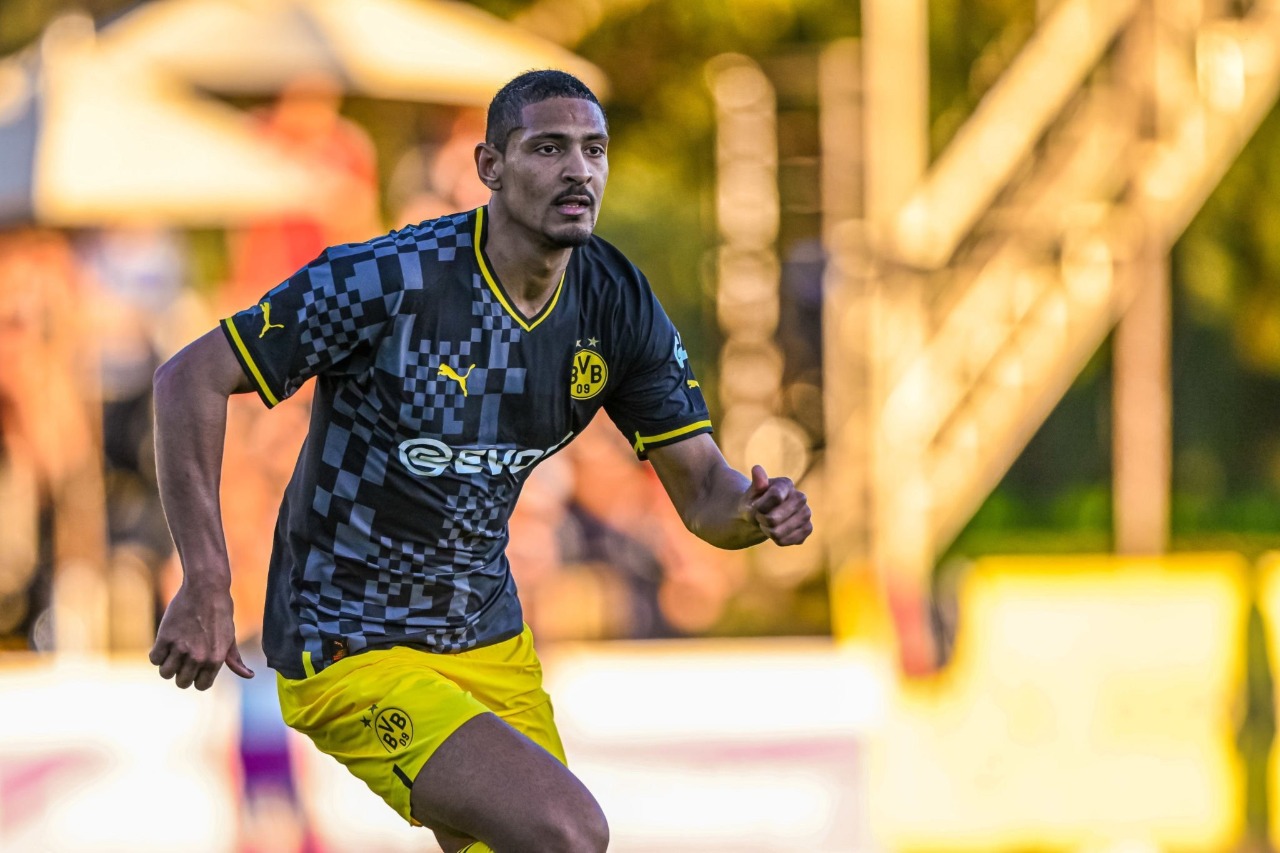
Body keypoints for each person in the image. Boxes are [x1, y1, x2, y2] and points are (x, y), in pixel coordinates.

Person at [148, 70, 812, 853]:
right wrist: (207, 577)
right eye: (549, 148)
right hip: (350, 642)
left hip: (489, 639)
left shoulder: (614, 302)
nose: (578, 169)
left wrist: (755, 511)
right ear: (489, 166)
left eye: (594, 149)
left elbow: (703, 491)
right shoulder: (390, 279)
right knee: (568, 830)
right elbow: (188, 377)